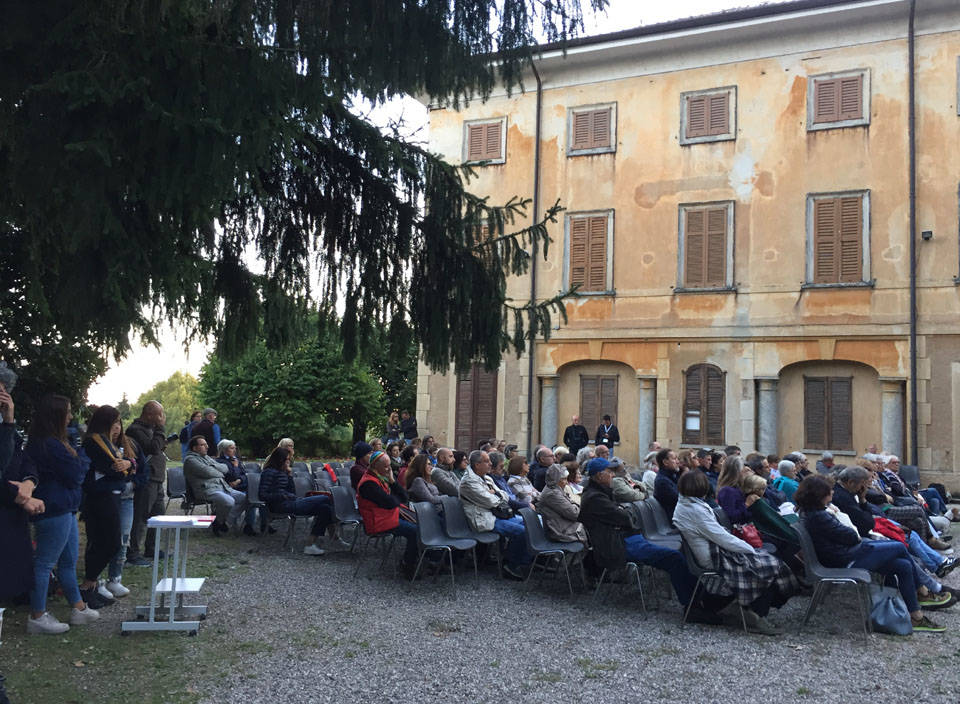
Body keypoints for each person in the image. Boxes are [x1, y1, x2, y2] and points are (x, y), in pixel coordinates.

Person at [795, 475, 948, 633]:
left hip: (847, 554)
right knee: (899, 547)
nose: (832, 493)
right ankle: (923, 591)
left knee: (903, 565)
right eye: (829, 491)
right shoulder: (820, 516)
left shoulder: (814, 513)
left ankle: (916, 615)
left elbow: (851, 533)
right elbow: (852, 536)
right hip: (845, 560)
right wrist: (841, 521)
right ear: (820, 495)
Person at [578, 458, 717, 623]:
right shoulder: (595, 498)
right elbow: (626, 517)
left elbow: (627, 515)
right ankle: (692, 607)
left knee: (677, 555)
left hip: (627, 538)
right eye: (610, 472)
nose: (612, 476)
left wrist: (624, 512)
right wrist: (624, 511)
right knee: (673, 558)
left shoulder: (601, 493)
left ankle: (702, 598)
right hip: (619, 545)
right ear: (600, 476)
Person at [672, 469, 798, 636]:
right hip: (713, 556)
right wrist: (749, 549)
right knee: (769, 566)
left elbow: (719, 535)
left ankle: (748, 609)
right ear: (701, 487)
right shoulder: (694, 510)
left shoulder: (689, 504)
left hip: (714, 549)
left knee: (771, 562)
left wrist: (748, 549)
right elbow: (721, 537)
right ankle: (755, 616)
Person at [26, 394, 101, 634]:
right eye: (67, 412)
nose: (71, 417)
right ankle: (37, 615)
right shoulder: (48, 444)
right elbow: (76, 475)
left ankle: (78, 608)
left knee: (67, 562)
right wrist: (84, 457)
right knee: (45, 562)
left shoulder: (58, 442)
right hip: (53, 507)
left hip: (65, 507)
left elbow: (75, 471)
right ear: (56, 416)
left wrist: (79, 459)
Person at [78, 405, 139, 608]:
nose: (117, 428)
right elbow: (114, 469)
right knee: (107, 542)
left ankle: (91, 585)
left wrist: (129, 465)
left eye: (119, 424)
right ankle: (88, 585)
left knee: (111, 542)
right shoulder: (94, 443)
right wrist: (126, 467)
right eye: (113, 424)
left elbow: (128, 466)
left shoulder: (109, 443)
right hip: (100, 498)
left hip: (111, 497)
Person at [0, 374, 44, 609]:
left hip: (12, 511)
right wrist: (16, 495)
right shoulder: (6, 428)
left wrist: (28, 484)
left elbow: (25, 460)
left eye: (5, 390)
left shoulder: (9, 430)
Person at [458, 450, 530, 579]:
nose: (490, 463)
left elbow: (505, 496)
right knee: (522, 532)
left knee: (529, 524)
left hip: (495, 514)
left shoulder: (487, 477)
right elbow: (491, 502)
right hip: (483, 518)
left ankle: (513, 559)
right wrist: (494, 495)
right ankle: (512, 566)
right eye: (486, 461)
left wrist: (493, 493)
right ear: (477, 465)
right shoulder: (468, 482)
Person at [260, 447, 343, 555]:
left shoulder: (283, 472)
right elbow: (262, 495)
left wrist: (289, 476)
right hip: (280, 505)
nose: (288, 462)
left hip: (291, 502)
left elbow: (292, 492)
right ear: (279, 460)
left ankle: (310, 544)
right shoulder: (268, 472)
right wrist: (282, 495)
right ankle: (334, 535)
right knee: (326, 498)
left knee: (325, 509)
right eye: (287, 460)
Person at [356, 450, 419, 576]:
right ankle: (408, 564)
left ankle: (422, 560)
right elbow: (390, 502)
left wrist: (393, 481)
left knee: (422, 524)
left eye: (389, 465)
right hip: (378, 522)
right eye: (386, 466)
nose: (389, 468)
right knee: (415, 531)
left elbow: (403, 497)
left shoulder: (380, 477)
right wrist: (395, 492)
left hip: (388, 516)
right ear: (374, 466)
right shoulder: (368, 483)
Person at [125, 400, 167, 567]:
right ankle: (133, 553)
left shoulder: (151, 429)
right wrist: (161, 428)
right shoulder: (135, 430)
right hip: (147, 479)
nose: (162, 418)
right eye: (159, 414)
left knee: (158, 516)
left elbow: (159, 446)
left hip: (157, 478)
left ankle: (152, 548)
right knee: (141, 516)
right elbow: (153, 448)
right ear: (149, 414)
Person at [182, 436, 247, 535]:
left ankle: (221, 521)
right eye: (203, 445)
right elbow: (208, 472)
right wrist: (217, 470)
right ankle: (219, 521)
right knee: (229, 501)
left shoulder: (206, 457)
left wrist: (213, 467)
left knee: (245, 498)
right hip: (206, 490)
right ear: (194, 448)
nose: (207, 447)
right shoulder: (190, 460)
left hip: (222, 487)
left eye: (206, 444)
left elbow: (225, 468)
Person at [537, 464, 587, 544]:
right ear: (556, 479)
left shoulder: (555, 489)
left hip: (565, 524)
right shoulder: (552, 494)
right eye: (564, 479)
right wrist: (576, 505)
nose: (567, 482)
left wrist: (574, 505)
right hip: (562, 530)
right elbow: (575, 514)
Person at [215, 439, 256, 535]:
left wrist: (239, 480)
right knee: (247, 500)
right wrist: (236, 468)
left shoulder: (235, 460)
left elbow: (244, 476)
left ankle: (248, 525)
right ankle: (225, 521)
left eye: (234, 448)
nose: (234, 450)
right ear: (224, 450)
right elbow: (231, 476)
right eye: (231, 448)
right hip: (229, 489)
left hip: (240, 486)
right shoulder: (220, 462)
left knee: (252, 499)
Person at [716, 455, 751, 525]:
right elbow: (732, 517)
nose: (747, 470)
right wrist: (747, 504)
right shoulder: (727, 491)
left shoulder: (738, 488)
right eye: (743, 467)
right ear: (737, 471)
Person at [653, 448, 682, 519]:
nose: (678, 462)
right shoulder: (662, 481)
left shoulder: (673, 476)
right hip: (674, 519)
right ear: (665, 462)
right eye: (674, 459)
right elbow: (680, 500)